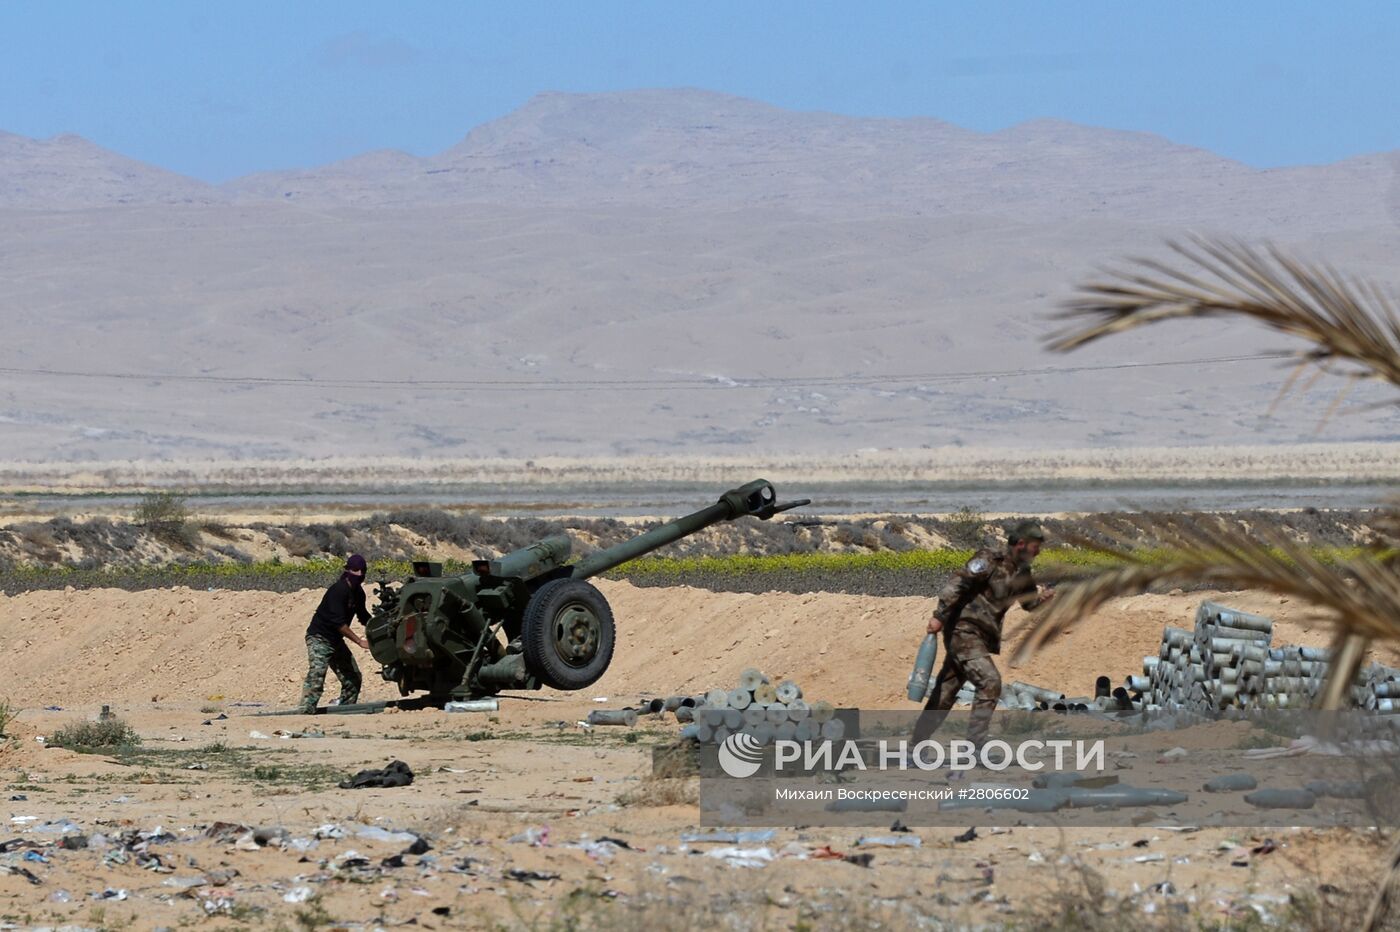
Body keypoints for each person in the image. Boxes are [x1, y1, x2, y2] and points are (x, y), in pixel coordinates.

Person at [912, 521, 1054, 751]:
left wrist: (1045, 598)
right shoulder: (990, 559)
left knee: (945, 693)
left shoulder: (1023, 573)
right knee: (990, 682)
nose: (1038, 552)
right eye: (1035, 546)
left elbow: (1029, 605)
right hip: (962, 631)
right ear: (1020, 544)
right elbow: (958, 583)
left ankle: (914, 748)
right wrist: (939, 616)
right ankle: (976, 747)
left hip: (980, 637)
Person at [298, 553, 372, 714]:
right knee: (317, 675)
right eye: (355, 570)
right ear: (347, 570)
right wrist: (360, 641)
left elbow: (363, 616)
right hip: (319, 637)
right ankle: (305, 712)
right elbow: (339, 624)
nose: (359, 575)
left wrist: (378, 628)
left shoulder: (359, 593)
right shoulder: (338, 590)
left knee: (353, 678)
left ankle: (344, 711)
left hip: (335, 640)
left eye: (362, 571)